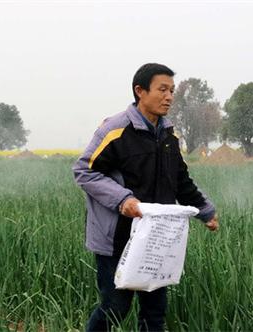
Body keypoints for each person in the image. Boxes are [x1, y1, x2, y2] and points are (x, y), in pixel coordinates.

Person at [72, 63, 219, 332]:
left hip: (156, 238)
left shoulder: (169, 135)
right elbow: (84, 171)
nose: (169, 97)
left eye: (172, 91)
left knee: (155, 313)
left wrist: (205, 211)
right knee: (115, 307)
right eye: (162, 89)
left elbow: (180, 180)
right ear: (140, 91)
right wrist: (123, 200)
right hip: (117, 237)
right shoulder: (115, 130)